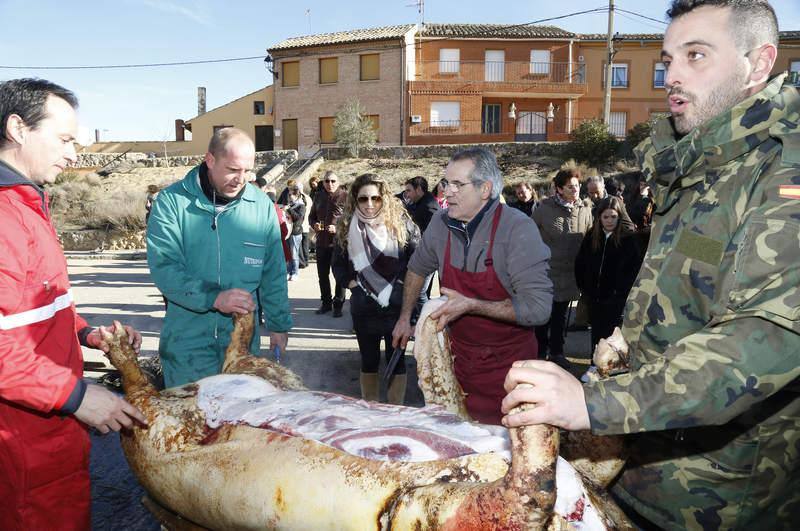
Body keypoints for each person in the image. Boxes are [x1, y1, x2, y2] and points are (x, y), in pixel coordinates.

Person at [502, 1, 800, 528]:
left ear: (758, 64)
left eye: (696, 55)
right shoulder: (698, 163)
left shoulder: (784, 169)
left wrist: (595, 404)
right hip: (638, 473)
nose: (671, 75)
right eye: (668, 59)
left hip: (719, 501)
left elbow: (763, 340)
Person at [0, 78, 147, 530]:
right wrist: (77, 395)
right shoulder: (4, 217)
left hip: (52, 437)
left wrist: (84, 332)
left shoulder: (28, 206)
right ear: (18, 128)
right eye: (64, 140)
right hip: (21, 449)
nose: (73, 155)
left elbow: (35, 309)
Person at [392, 147, 552, 425]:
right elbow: (417, 268)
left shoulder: (517, 229)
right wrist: (405, 317)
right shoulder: (441, 223)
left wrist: (473, 305)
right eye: (445, 183)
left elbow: (538, 309)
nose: (446, 191)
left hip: (510, 367)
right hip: (459, 360)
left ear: (485, 189)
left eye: (457, 184)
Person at [147, 127, 292, 388]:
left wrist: (279, 324)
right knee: (190, 426)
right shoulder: (172, 203)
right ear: (210, 160)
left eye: (248, 171)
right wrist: (214, 298)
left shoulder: (261, 207)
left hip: (241, 347)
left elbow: (273, 271)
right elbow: (165, 268)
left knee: (238, 425)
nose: (241, 179)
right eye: (233, 169)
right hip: (187, 346)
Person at [332, 174, 420, 404]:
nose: (370, 204)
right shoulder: (345, 225)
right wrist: (354, 285)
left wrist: (402, 286)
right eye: (363, 199)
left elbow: (418, 262)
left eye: (375, 198)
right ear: (355, 200)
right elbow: (338, 265)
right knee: (368, 360)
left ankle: (395, 411)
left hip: (397, 308)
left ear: (385, 198)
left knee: (397, 361)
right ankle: (370, 412)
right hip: (364, 308)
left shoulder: (402, 224)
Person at [531, 168, 593, 369]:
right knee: (543, 315)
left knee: (560, 316)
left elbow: (590, 237)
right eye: (570, 186)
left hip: (570, 274)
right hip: (546, 272)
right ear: (559, 189)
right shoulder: (544, 209)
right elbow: (529, 235)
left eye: (577, 185)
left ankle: (557, 352)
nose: (575, 189)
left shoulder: (585, 208)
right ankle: (540, 351)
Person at [574, 196, 640, 354]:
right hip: (594, 296)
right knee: (596, 334)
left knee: (613, 336)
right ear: (599, 217)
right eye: (606, 217)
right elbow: (580, 263)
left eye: (613, 217)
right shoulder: (591, 237)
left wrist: (621, 293)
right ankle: (593, 365)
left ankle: (609, 368)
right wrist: (585, 287)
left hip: (616, 299)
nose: (610, 221)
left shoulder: (628, 238)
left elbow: (633, 270)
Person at [309, 170, 347, 317]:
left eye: (332, 181)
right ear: (323, 182)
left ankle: (338, 305)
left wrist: (337, 228)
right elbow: (311, 216)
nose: (329, 184)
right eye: (326, 181)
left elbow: (351, 219)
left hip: (337, 243)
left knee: (339, 276)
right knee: (322, 275)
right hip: (321, 243)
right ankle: (326, 303)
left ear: (338, 182)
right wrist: (314, 225)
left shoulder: (345, 196)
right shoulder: (318, 196)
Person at [284, 184, 306, 281]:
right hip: (288, 232)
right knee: (288, 254)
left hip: (295, 233)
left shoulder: (301, 206)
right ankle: (288, 271)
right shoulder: (290, 205)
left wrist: (288, 210)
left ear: (296, 196)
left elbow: (298, 218)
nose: (289, 197)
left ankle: (295, 272)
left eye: (291, 195)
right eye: (288, 195)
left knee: (294, 254)